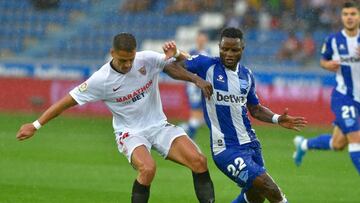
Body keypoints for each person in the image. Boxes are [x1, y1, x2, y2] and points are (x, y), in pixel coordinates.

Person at [16, 33, 215, 203]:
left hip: (158, 126)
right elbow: (65, 102)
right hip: (130, 133)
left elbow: (171, 66)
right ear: (112, 54)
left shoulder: (145, 59)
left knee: (199, 161)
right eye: (122, 60)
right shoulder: (100, 80)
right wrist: (36, 124)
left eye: (131, 59)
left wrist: (194, 77)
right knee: (147, 169)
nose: (128, 64)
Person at [169, 27, 307, 203]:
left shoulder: (247, 75)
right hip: (226, 149)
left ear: (242, 49)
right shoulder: (206, 65)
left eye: (234, 50)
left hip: (251, 145)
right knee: (271, 190)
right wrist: (196, 79)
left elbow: (255, 109)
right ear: (219, 47)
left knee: (255, 197)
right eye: (224, 49)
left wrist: (277, 119)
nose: (228, 54)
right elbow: (171, 67)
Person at [293, 1, 360, 175]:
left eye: (353, 14)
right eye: (346, 14)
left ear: (358, 16)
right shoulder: (333, 40)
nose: (349, 17)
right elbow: (323, 60)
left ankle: (303, 144)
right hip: (345, 96)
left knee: (338, 144)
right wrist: (327, 65)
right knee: (356, 138)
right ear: (341, 17)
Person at [181, 31, 211, 139]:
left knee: (200, 115)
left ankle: (185, 129)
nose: (201, 41)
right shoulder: (192, 52)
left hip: (203, 85)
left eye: (203, 39)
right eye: (200, 39)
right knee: (195, 112)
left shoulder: (208, 53)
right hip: (193, 87)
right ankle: (188, 135)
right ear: (197, 40)